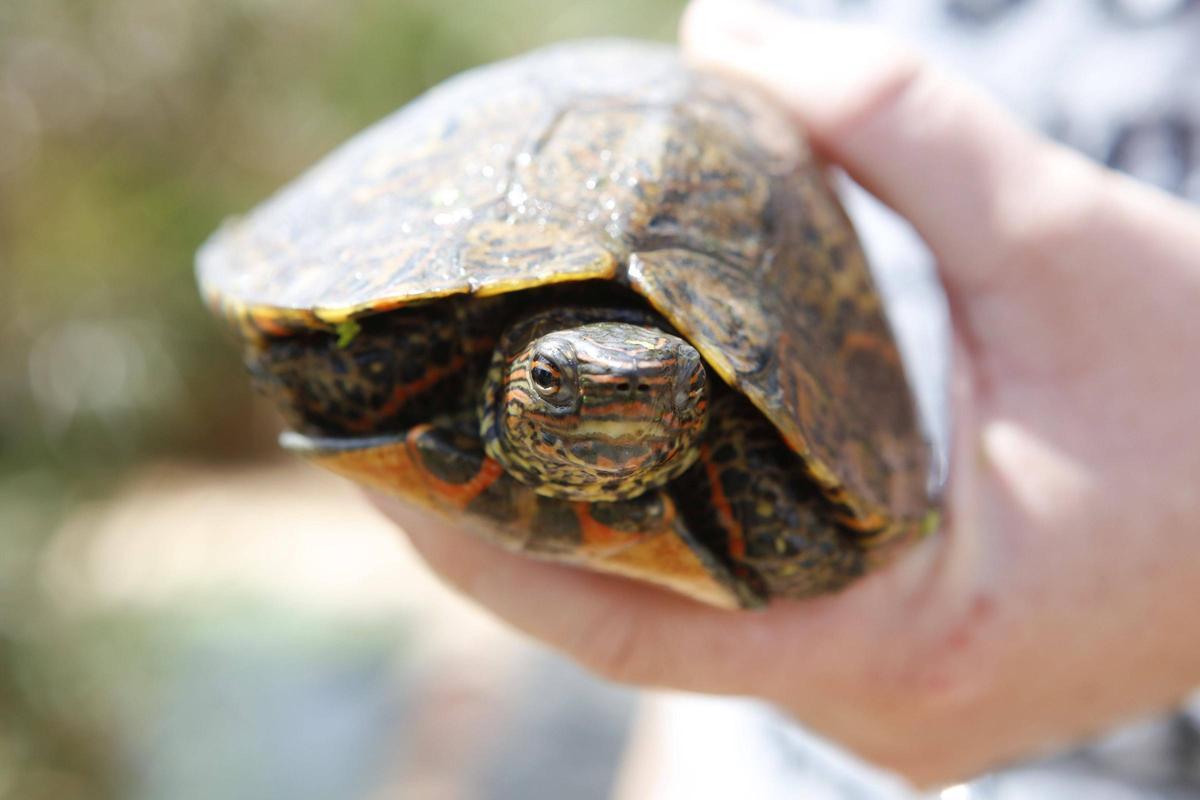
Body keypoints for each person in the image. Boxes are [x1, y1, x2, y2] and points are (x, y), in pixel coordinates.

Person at [372, 0, 1200, 786]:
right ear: (508, 374)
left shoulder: (736, 447)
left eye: (666, 388)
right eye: (556, 384)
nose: (616, 399)